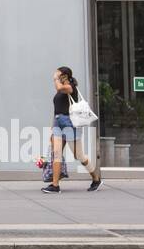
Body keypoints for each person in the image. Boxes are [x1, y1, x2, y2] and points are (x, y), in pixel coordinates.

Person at [43, 66, 102, 194]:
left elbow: (59, 87)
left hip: (69, 123)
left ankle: (96, 179)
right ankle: (55, 185)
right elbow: (57, 108)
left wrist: (55, 79)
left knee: (78, 155)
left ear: (63, 75)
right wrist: (53, 127)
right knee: (57, 154)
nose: (55, 74)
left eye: (57, 72)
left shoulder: (70, 87)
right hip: (58, 122)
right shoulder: (60, 90)